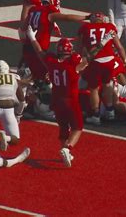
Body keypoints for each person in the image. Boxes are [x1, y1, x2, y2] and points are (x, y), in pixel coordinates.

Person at [40, 38, 88, 167]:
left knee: (63, 127)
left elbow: (40, 53)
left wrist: (33, 39)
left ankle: (64, 152)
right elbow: (86, 60)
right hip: (70, 100)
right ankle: (67, 149)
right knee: (77, 127)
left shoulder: (52, 62)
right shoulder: (73, 63)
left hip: (56, 100)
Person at [78, 12, 126, 125]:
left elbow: (80, 48)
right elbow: (119, 47)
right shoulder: (109, 27)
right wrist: (125, 61)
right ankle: (110, 111)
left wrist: (80, 61)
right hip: (110, 60)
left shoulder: (85, 28)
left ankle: (96, 115)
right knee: (107, 84)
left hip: (95, 61)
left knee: (93, 88)